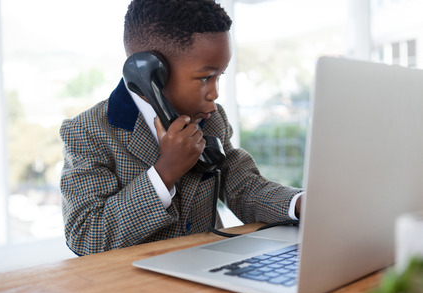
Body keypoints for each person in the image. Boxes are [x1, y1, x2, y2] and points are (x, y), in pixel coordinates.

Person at [60, 0, 303, 256]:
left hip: (210, 271)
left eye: (220, 76)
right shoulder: (88, 132)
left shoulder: (212, 119)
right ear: (149, 72)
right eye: (205, 78)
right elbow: (86, 236)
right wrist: (165, 171)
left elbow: (244, 188)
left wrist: (300, 203)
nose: (215, 93)